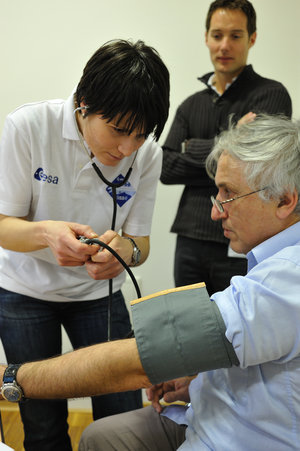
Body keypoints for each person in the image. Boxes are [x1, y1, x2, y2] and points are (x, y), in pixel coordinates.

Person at [1, 113, 300, 450]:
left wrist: (11, 377)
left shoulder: (289, 279)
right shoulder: (272, 261)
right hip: (210, 412)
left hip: (233, 436)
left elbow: (139, 360)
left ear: (285, 200)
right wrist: (201, 380)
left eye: (228, 194)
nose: (216, 211)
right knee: (94, 435)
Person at [0, 39, 170, 451]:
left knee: (121, 414)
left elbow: (141, 242)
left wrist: (124, 253)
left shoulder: (146, 155)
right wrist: (45, 234)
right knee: (41, 422)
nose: (128, 148)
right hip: (25, 293)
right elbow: (3, 224)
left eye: (141, 134)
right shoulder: (29, 128)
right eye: (118, 130)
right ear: (84, 104)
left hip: (99, 295)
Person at [160, 0, 292, 295]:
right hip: (189, 238)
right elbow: (166, 168)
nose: (224, 45)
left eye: (235, 35)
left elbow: (261, 167)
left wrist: (190, 148)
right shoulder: (190, 104)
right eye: (217, 35)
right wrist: (231, 137)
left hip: (243, 241)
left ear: (252, 38)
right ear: (206, 37)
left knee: (237, 335)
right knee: (189, 327)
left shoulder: (272, 94)